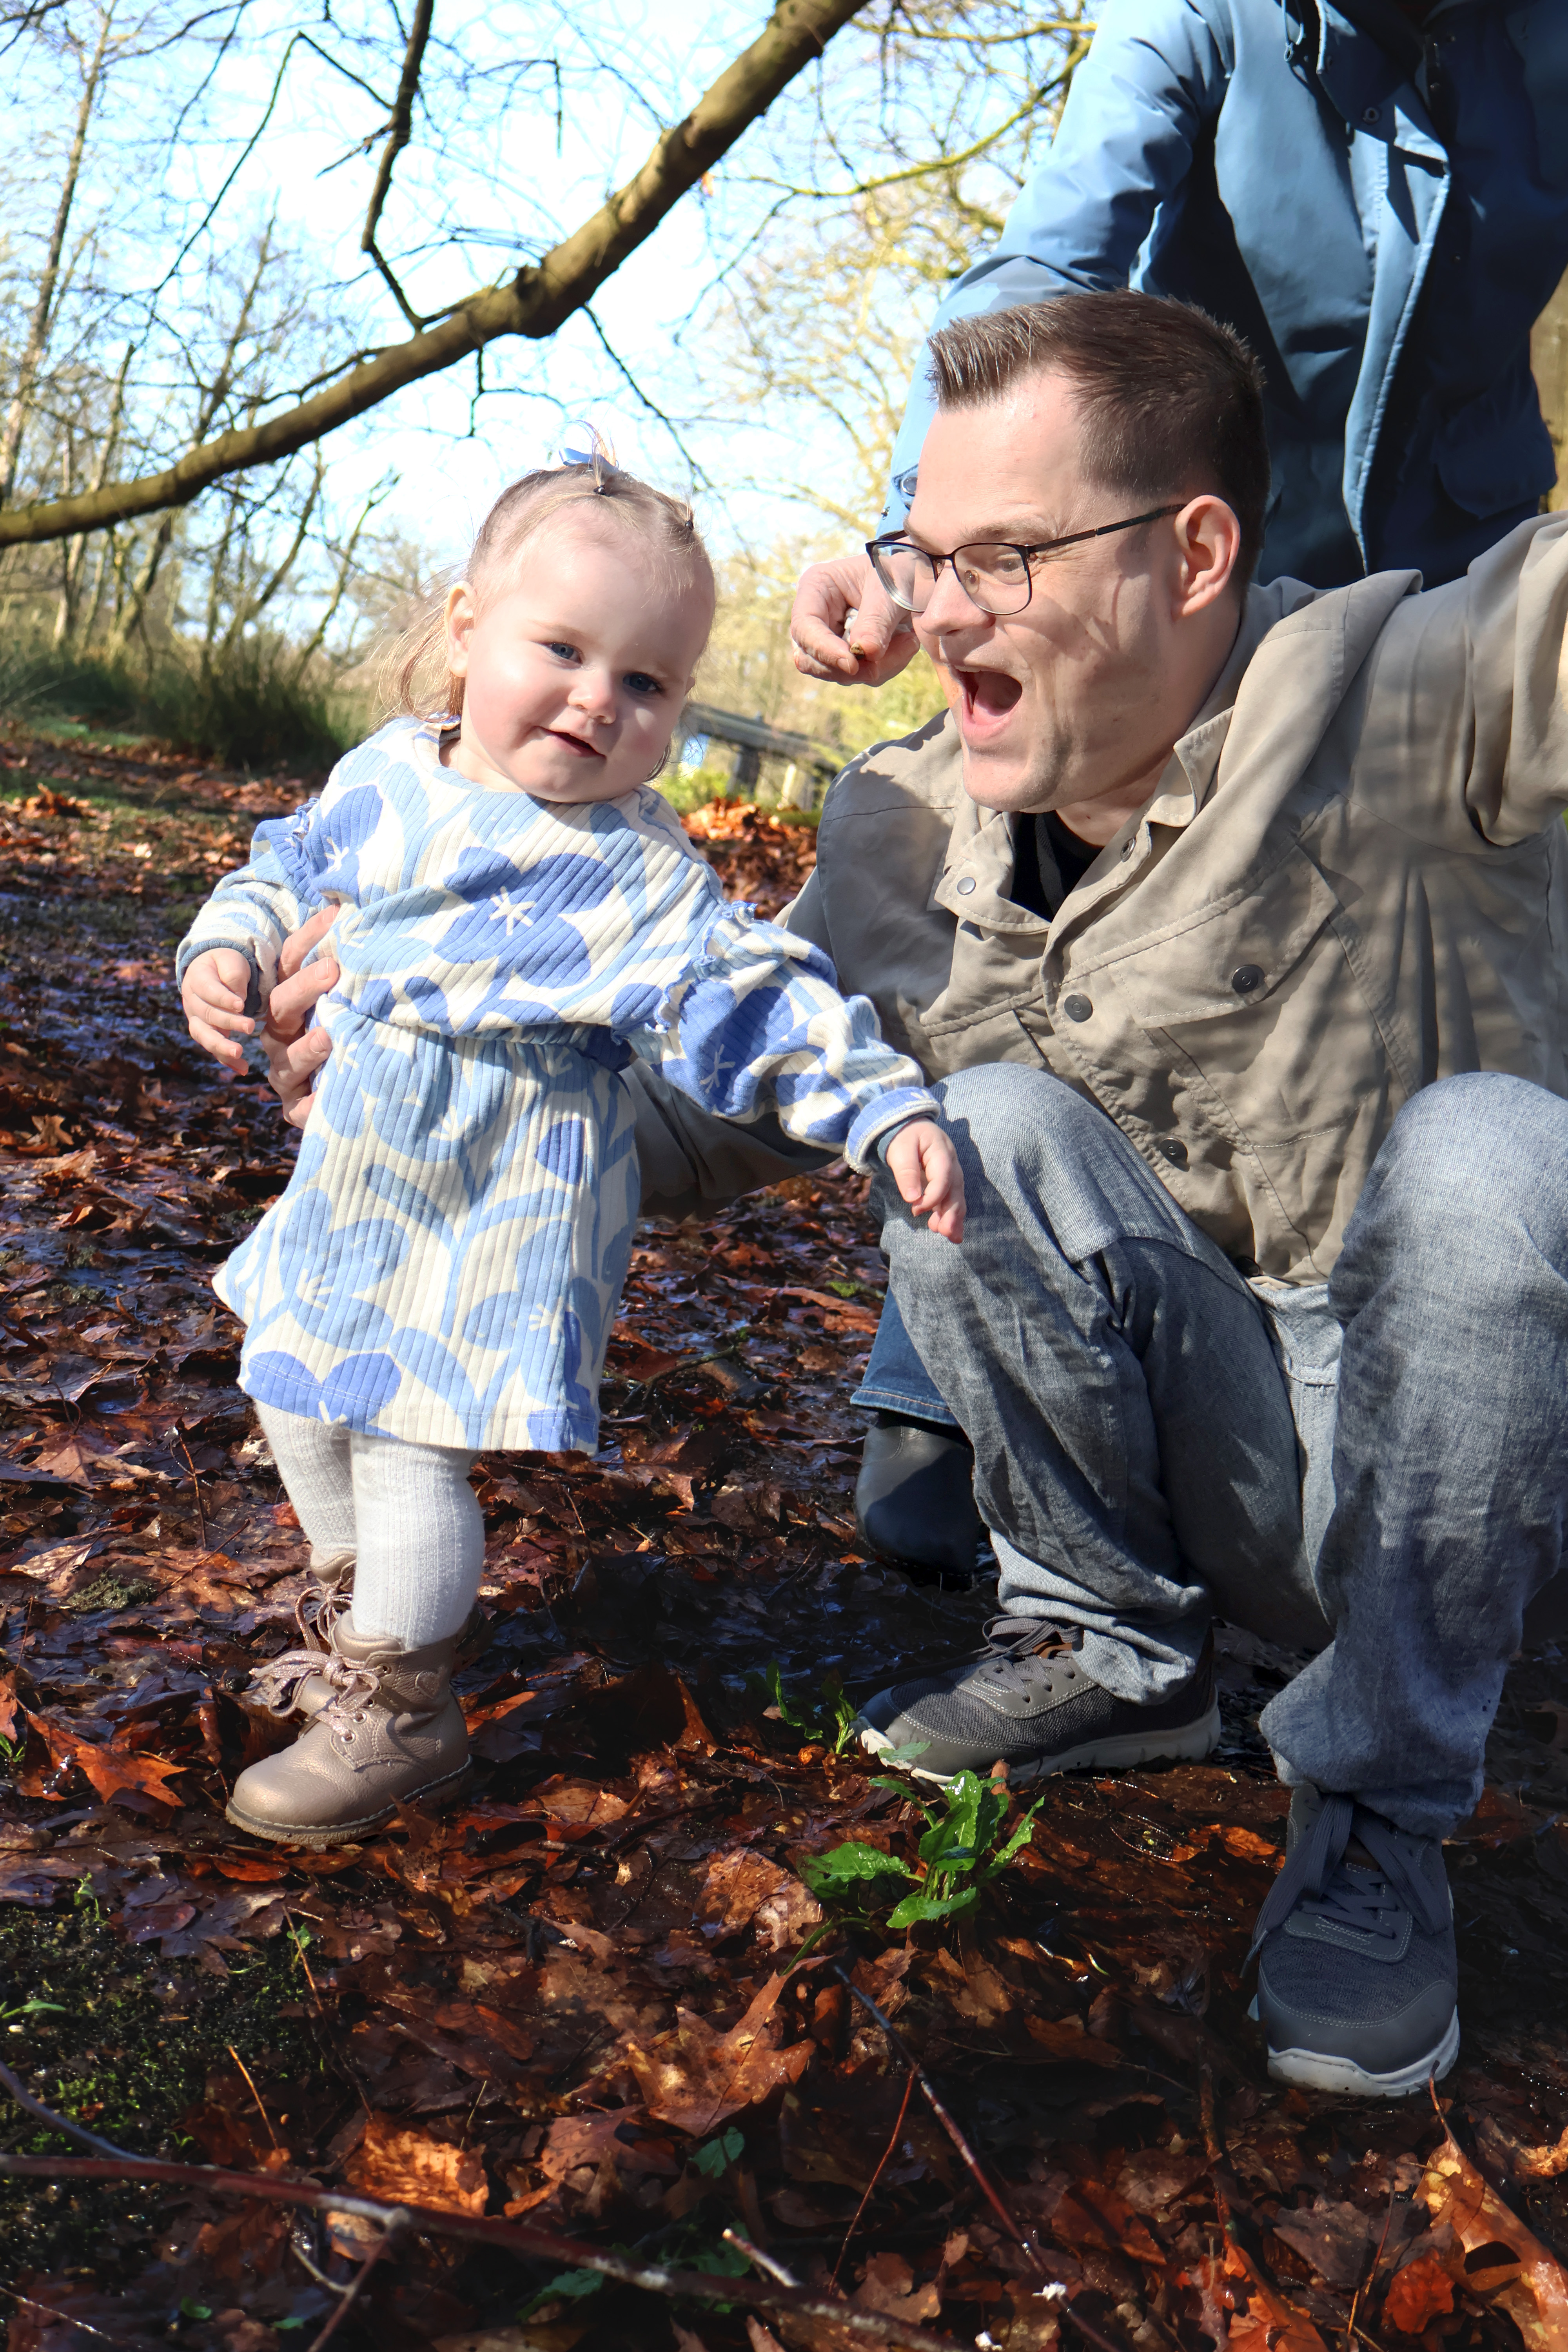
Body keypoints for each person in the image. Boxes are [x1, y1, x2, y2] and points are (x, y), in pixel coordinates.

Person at [789, 0, 1568, 1576]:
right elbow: (1045, 266)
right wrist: (929, 551)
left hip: (1441, 579)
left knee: (1410, 990)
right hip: (1193, 562)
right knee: (1068, 902)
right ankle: (964, 1375)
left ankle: (1407, 1414)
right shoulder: (1195, 24)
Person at [177, 455, 964, 1850]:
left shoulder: (633, 874)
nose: (602, 698)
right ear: (470, 627)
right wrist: (228, 942)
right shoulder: (389, 774)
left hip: (500, 1212)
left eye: (649, 682)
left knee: (412, 1444)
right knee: (293, 1385)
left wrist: (881, 1105)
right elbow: (285, 863)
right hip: (361, 1180)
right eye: (564, 649)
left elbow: (756, 992)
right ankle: (364, 1616)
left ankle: (404, 1707)